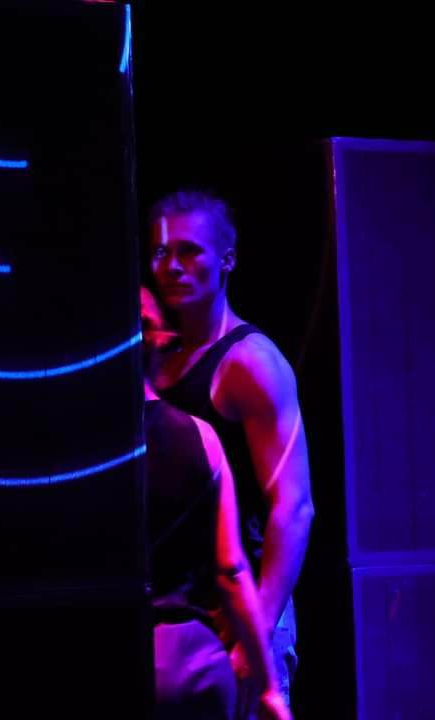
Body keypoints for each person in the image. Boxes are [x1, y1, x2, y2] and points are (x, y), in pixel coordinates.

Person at [146, 190, 314, 711]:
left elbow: (294, 508)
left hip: (246, 611)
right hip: (190, 617)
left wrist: (255, 634)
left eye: (189, 251)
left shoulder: (250, 362)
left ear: (227, 260)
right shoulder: (157, 355)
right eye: (161, 252)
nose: (172, 266)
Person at [142, 288, 290, 720]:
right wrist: (268, 688)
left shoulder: (82, 454)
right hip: (193, 661)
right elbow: (232, 570)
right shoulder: (201, 437)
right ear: (158, 342)